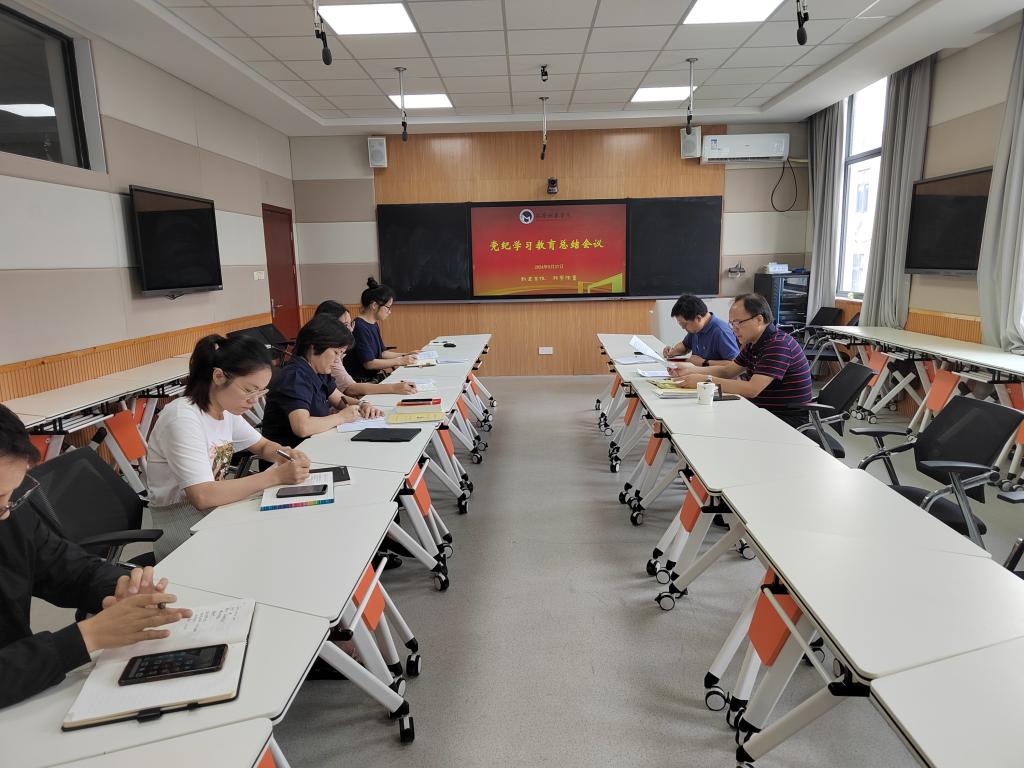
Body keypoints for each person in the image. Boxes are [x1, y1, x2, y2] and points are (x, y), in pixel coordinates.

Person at [0, 404, 192, 708]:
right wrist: (86, 637)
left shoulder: (12, 513)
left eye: (12, 492)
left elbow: (65, 566)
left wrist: (121, 586)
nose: (7, 509)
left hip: (27, 689)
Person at [146, 335, 311, 560]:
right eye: (249, 390)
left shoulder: (224, 410)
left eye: (261, 392)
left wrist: (285, 453)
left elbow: (262, 446)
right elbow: (202, 495)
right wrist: (275, 476)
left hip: (215, 513)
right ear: (219, 376)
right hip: (182, 528)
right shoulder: (182, 418)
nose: (254, 400)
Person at [670, 293, 812, 428]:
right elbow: (727, 371)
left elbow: (752, 389)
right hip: (759, 411)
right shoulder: (753, 343)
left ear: (759, 319)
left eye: (738, 322)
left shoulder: (778, 345)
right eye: (732, 323)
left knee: (708, 422)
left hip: (783, 420)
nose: (734, 329)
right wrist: (691, 370)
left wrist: (706, 380)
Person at [261, 314, 385, 448]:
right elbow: (302, 427)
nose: (337, 359)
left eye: (341, 354)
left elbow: (339, 400)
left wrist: (362, 405)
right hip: (291, 453)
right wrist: (341, 417)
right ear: (314, 347)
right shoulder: (294, 376)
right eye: (336, 352)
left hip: (315, 444)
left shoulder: (319, 370)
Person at [313, 300, 418, 397]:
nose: (350, 330)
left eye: (350, 324)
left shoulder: (372, 325)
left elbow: (337, 397)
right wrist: (393, 386)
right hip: (362, 381)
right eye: (345, 325)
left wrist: (404, 356)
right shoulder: (328, 353)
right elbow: (351, 387)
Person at [342, 278, 419, 383]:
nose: (389, 312)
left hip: (373, 379)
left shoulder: (373, 323)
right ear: (374, 305)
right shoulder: (359, 327)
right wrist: (400, 361)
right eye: (388, 307)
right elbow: (369, 363)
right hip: (362, 382)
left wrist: (405, 355)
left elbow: (382, 353)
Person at [661, 294, 739, 366]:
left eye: (685, 324)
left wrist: (704, 362)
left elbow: (735, 365)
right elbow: (685, 346)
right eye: (681, 324)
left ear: (698, 318)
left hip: (713, 376)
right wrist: (673, 351)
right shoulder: (696, 328)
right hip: (698, 373)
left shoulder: (721, 332)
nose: (683, 328)